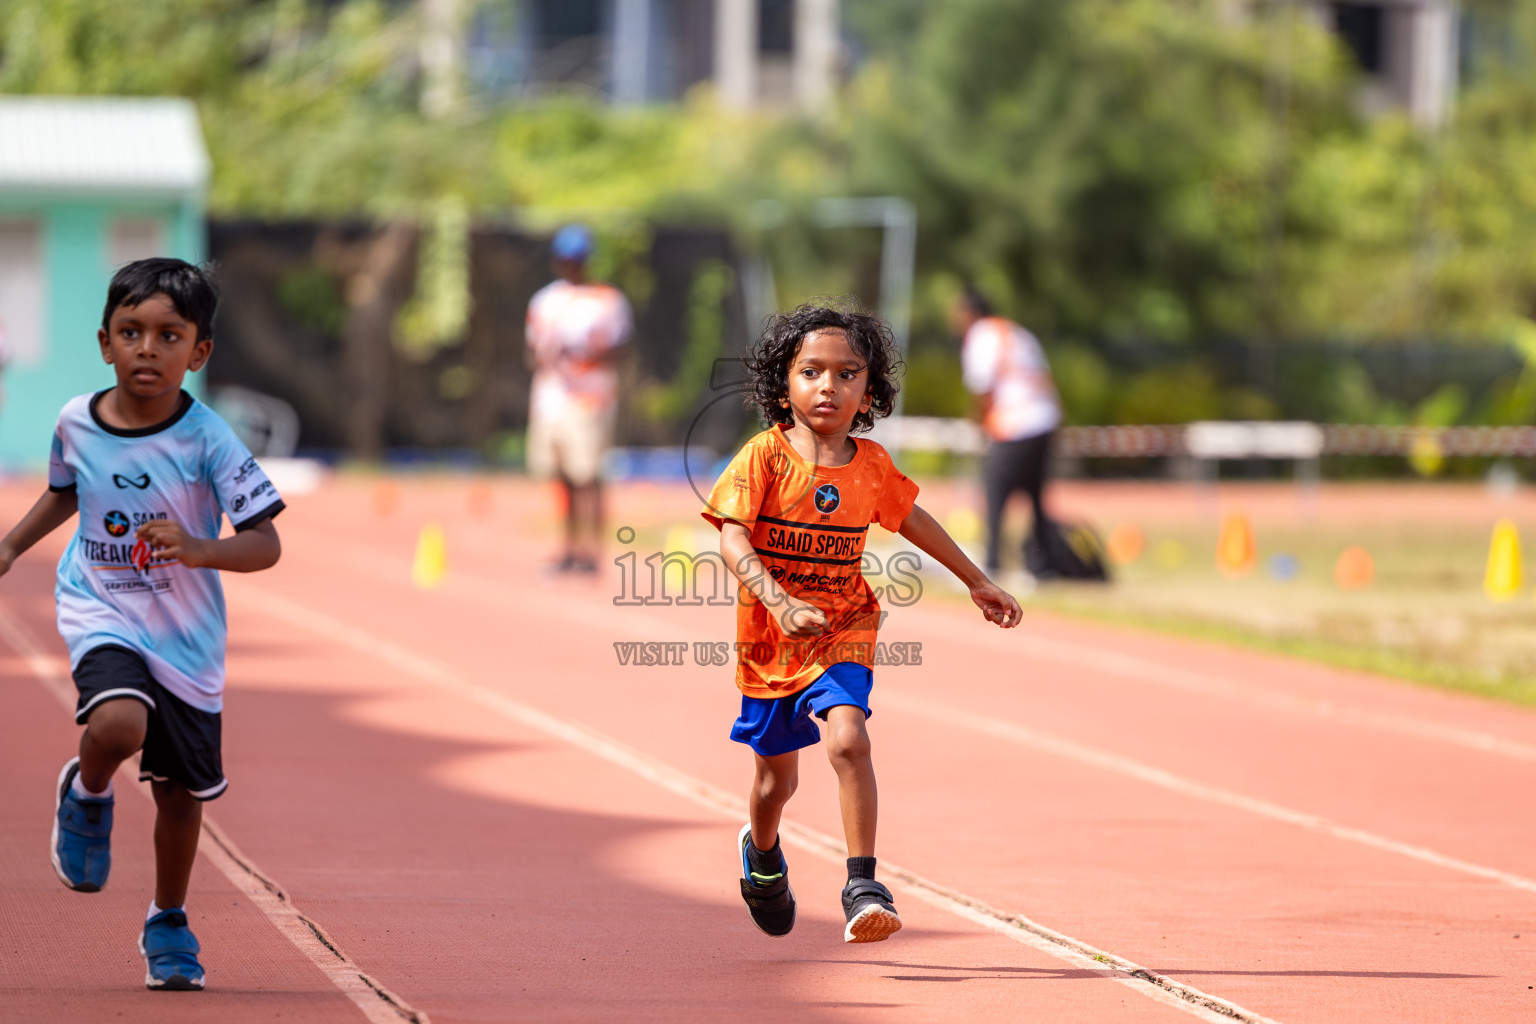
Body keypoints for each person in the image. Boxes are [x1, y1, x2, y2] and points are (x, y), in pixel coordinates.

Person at [0, 258, 284, 991]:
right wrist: (10, 544)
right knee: (120, 725)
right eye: (131, 332)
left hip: (186, 636)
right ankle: (90, 791)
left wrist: (199, 548)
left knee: (180, 796)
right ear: (104, 343)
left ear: (200, 352)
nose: (147, 349)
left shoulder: (209, 439)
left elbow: (266, 543)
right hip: (100, 604)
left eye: (168, 335)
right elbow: (68, 492)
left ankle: (168, 919)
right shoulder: (75, 420)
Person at [702, 303, 1021, 943]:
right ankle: (762, 855)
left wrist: (975, 579)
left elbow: (912, 518)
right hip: (772, 638)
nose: (829, 386)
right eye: (812, 372)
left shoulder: (871, 466)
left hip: (845, 623)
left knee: (849, 739)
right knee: (774, 783)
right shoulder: (764, 456)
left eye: (847, 374)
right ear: (782, 385)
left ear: (868, 389)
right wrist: (777, 600)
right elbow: (732, 538)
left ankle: (862, 884)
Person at [524, 225, 632, 573]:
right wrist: (548, 358)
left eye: (578, 259)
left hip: (590, 399)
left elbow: (620, 348)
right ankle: (569, 549)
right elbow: (531, 350)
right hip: (551, 399)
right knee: (561, 476)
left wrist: (583, 356)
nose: (572, 265)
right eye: (566, 259)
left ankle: (592, 552)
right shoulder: (544, 300)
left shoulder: (606, 300)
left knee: (588, 476)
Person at [950, 286, 1062, 577]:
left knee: (995, 492)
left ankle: (994, 561)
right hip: (1044, 420)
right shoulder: (1017, 332)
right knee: (1035, 495)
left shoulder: (982, 335)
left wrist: (977, 422)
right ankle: (1043, 563)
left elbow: (981, 386)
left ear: (970, 313)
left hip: (1015, 423)